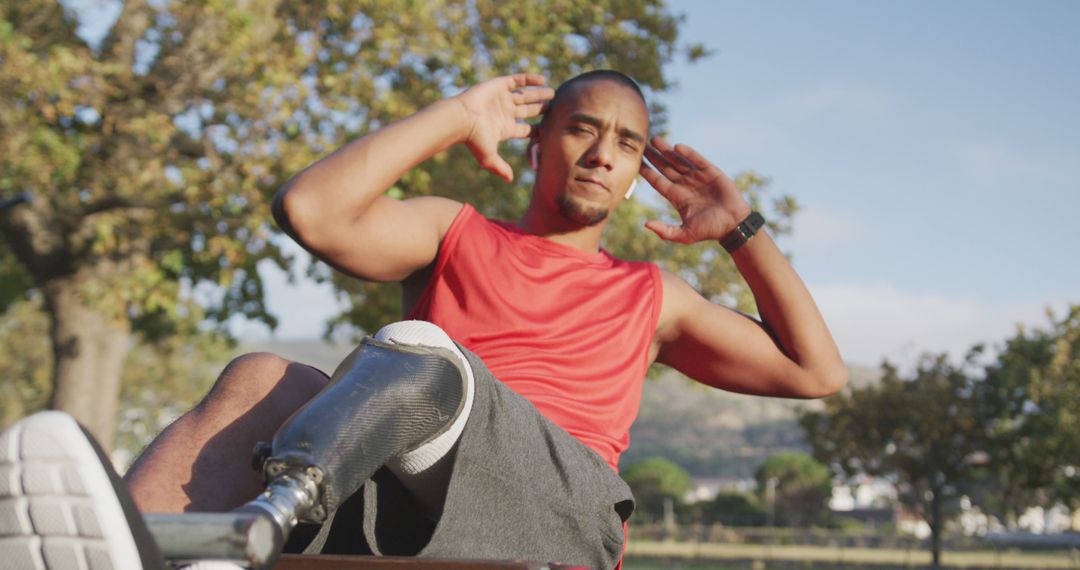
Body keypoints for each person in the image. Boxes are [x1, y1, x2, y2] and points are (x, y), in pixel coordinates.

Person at [1, 70, 846, 569]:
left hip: (554, 511)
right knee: (264, 375)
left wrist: (740, 229)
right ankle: (140, 552)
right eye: (581, 128)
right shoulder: (456, 230)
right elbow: (311, 210)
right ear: (535, 142)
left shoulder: (652, 294)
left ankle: (265, 519)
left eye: (625, 144)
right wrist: (455, 116)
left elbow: (818, 373)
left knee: (419, 356)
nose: (600, 151)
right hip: (401, 499)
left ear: (633, 175)